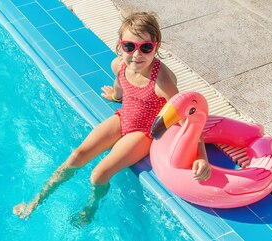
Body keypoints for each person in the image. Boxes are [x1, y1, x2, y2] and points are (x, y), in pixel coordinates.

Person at [13, 12, 211, 225]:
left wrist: (202, 157)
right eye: (129, 47)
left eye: (145, 47)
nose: (137, 54)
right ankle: (37, 200)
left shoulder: (162, 82)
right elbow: (120, 83)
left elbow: (187, 119)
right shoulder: (119, 65)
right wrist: (116, 96)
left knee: (99, 174)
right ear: (120, 45)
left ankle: (90, 209)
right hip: (124, 116)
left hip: (144, 132)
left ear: (156, 46)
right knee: (77, 154)